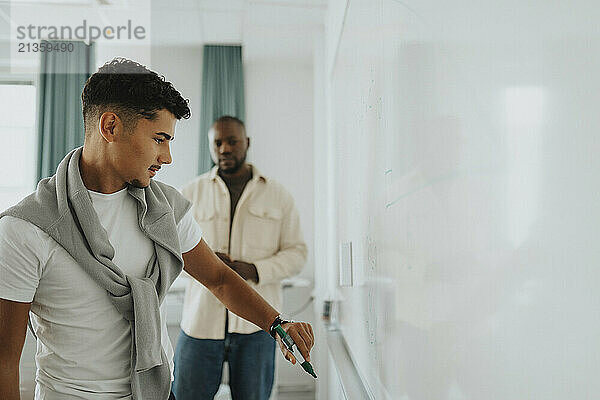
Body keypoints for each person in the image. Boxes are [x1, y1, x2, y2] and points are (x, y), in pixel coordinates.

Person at [0, 58, 314, 400]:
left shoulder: (167, 210)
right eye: (160, 139)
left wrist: (277, 323)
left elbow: (219, 279)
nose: (167, 157)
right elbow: (4, 362)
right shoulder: (24, 229)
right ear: (110, 127)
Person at [172, 116, 307, 400]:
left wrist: (255, 269)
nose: (224, 149)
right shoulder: (189, 193)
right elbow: (170, 254)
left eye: (232, 141)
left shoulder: (277, 195)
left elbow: (297, 253)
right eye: (217, 143)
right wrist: (204, 263)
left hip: (256, 327)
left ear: (247, 143)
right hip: (200, 323)